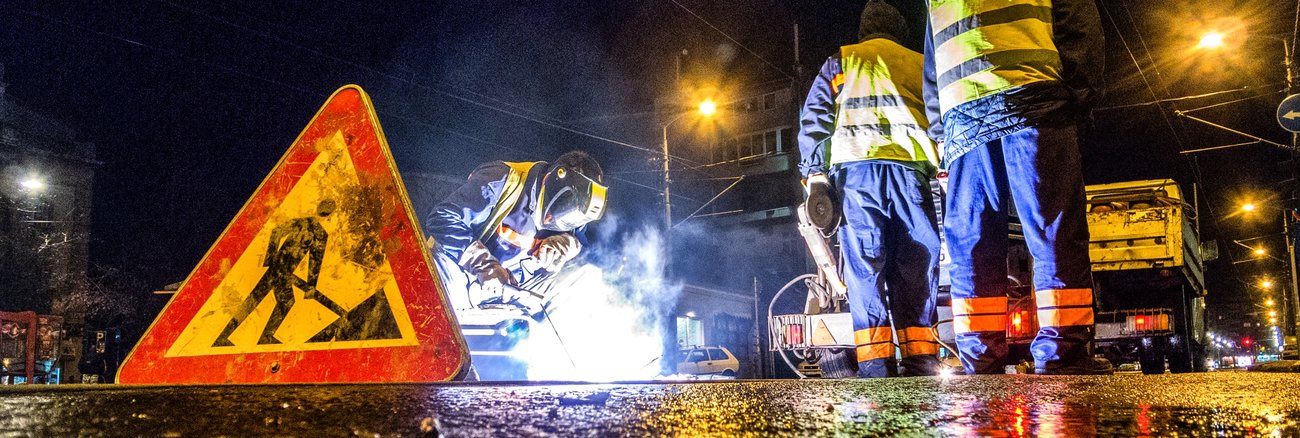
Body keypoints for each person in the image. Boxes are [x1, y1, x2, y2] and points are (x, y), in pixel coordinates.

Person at [921, 0, 1109, 375]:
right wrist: (1079, 95)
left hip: (962, 116)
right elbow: (1079, 24)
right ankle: (1063, 353)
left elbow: (932, 59)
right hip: (1034, 98)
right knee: (1052, 228)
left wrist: (940, 130)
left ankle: (980, 357)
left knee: (972, 243)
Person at [798, 0, 943, 378]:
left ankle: (876, 366)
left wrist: (815, 177)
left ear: (863, 30)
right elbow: (939, 115)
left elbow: (814, 120)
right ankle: (921, 362)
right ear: (899, 29)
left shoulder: (840, 62)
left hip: (857, 181)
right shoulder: (917, 61)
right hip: (911, 176)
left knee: (865, 272)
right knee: (916, 268)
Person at [425, 150, 606, 314]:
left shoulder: (575, 210)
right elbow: (442, 218)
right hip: (459, 273)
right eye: (554, 211)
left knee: (586, 276)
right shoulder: (500, 178)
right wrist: (484, 265)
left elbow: (581, 243)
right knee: (431, 279)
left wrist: (568, 244)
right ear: (550, 179)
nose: (551, 221)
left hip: (512, 289)